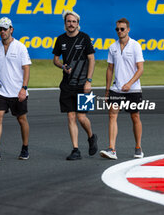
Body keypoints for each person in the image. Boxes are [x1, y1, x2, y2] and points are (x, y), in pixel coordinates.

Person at [0, 17, 32, 161]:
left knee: (21, 119)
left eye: (5, 28)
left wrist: (24, 88)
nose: (2, 31)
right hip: (1, 91)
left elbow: (26, 68)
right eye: (0, 29)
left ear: (11, 29)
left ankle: (25, 148)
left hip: (17, 91)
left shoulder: (20, 47)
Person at [53, 10, 98, 160]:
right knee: (71, 117)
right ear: (65, 23)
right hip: (66, 85)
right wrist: (62, 67)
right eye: (68, 21)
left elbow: (92, 59)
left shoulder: (84, 38)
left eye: (73, 21)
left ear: (78, 23)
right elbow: (55, 60)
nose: (71, 24)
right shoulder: (60, 39)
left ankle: (91, 137)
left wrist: (89, 81)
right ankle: (75, 149)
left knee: (81, 118)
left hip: (83, 84)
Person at [100, 18, 144, 160]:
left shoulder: (135, 46)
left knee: (135, 116)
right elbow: (109, 68)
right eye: (117, 29)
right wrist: (107, 90)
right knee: (112, 115)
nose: (119, 31)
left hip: (133, 89)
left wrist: (130, 84)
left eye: (122, 29)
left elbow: (140, 69)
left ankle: (138, 147)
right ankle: (112, 149)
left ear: (128, 30)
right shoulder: (112, 47)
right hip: (116, 88)